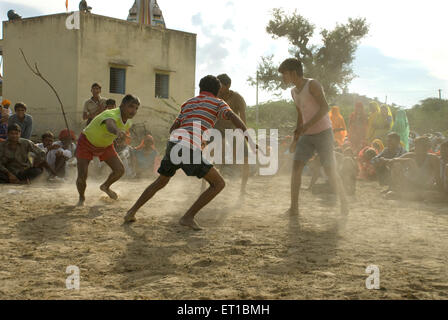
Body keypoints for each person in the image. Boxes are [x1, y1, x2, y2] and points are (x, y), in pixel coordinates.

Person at [124, 75, 258, 230]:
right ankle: (188, 216)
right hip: (189, 148)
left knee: (160, 181)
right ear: (217, 91)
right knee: (219, 183)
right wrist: (250, 139)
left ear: (200, 89)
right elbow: (235, 118)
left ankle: (131, 211)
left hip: (174, 144)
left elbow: (173, 128)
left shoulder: (188, 103)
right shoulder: (218, 102)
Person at [278, 58, 348, 215]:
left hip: (323, 133)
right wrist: (296, 135)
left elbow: (325, 108)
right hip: (306, 135)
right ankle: (294, 208)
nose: (283, 77)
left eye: (285, 74)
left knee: (330, 169)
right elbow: (300, 113)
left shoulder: (312, 85)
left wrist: (306, 126)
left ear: (294, 73)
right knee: (296, 168)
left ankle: (344, 202)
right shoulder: (293, 92)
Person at [76, 94, 140, 206]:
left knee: (120, 170)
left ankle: (105, 186)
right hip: (86, 142)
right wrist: (117, 132)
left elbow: (114, 134)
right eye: (131, 106)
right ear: (122, 105)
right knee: (82, 176)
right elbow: (110, 125)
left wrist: (120, 137)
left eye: (136, 108)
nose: (133, 110)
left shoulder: (129, 122)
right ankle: (81, 198)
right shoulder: (111, 113)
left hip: (105, 146)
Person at [215, 74, 250, 196]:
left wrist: (244, 134)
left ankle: (243, 189)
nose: (218, 88)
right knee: (208, 154)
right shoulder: (215, 96)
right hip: (218, 128)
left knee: (246, 159)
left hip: (235, 129)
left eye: (220, 86)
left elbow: (243, 117)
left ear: (228, 86)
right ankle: (205, 184)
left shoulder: (237, 98)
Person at [386, 136, 442, 200]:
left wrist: (440, 191)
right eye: (416, 146)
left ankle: (404, 194)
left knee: (425, 194)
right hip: (408, 185)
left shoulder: (433, 159)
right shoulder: (410, 155)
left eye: (419, 146)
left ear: (426, 147)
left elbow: (437, 177)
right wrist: (407, 160)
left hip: (423, 186)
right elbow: (391, 162)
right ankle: (400, 191)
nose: (416, 148)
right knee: (397, 165)